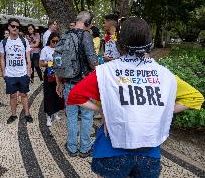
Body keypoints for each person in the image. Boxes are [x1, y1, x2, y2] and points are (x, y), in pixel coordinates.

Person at [67, 17, 204, 178]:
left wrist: (104, 110)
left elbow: (75, 95)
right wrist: (160, 110)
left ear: (120, 43)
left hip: (111, 150)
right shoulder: (165, 75)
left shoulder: (105, 72)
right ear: (149, 42)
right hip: (149, 153)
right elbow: (195, 97)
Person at [56, 11, 98, 158]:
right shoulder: (86, 35)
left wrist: (59, 82)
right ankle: (85, 148)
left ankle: (72, 147)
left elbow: (59, 61)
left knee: (72, 116)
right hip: (85, 85)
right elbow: (93, 63)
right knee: (87, 116)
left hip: (68, 83)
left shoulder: (66, 34)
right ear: (87, 23)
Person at [0, 18, 33, 124]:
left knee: (24, 94)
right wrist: (3, 72)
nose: (15, 28)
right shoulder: (4, 42)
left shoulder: (24, 41)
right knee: (13, 95)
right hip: (10, 74)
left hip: (22, 73)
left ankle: (27, 114)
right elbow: (1, 58)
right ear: (8, 27)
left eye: (17, 27)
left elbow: (28, 58)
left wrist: (28, 71)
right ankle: (13, 115)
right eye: (13, 26)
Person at [39, 32, 64, 127]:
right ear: (50, 40)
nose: (55, 43)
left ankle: (56, 112)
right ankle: (49, 116)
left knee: (58, 94)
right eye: (53, 41)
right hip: (49, 74)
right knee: (49, 95)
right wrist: (50, 63)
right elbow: (40, 63)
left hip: (59, 74)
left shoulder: (60, 49)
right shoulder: (45, 49)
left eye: (57, 41)